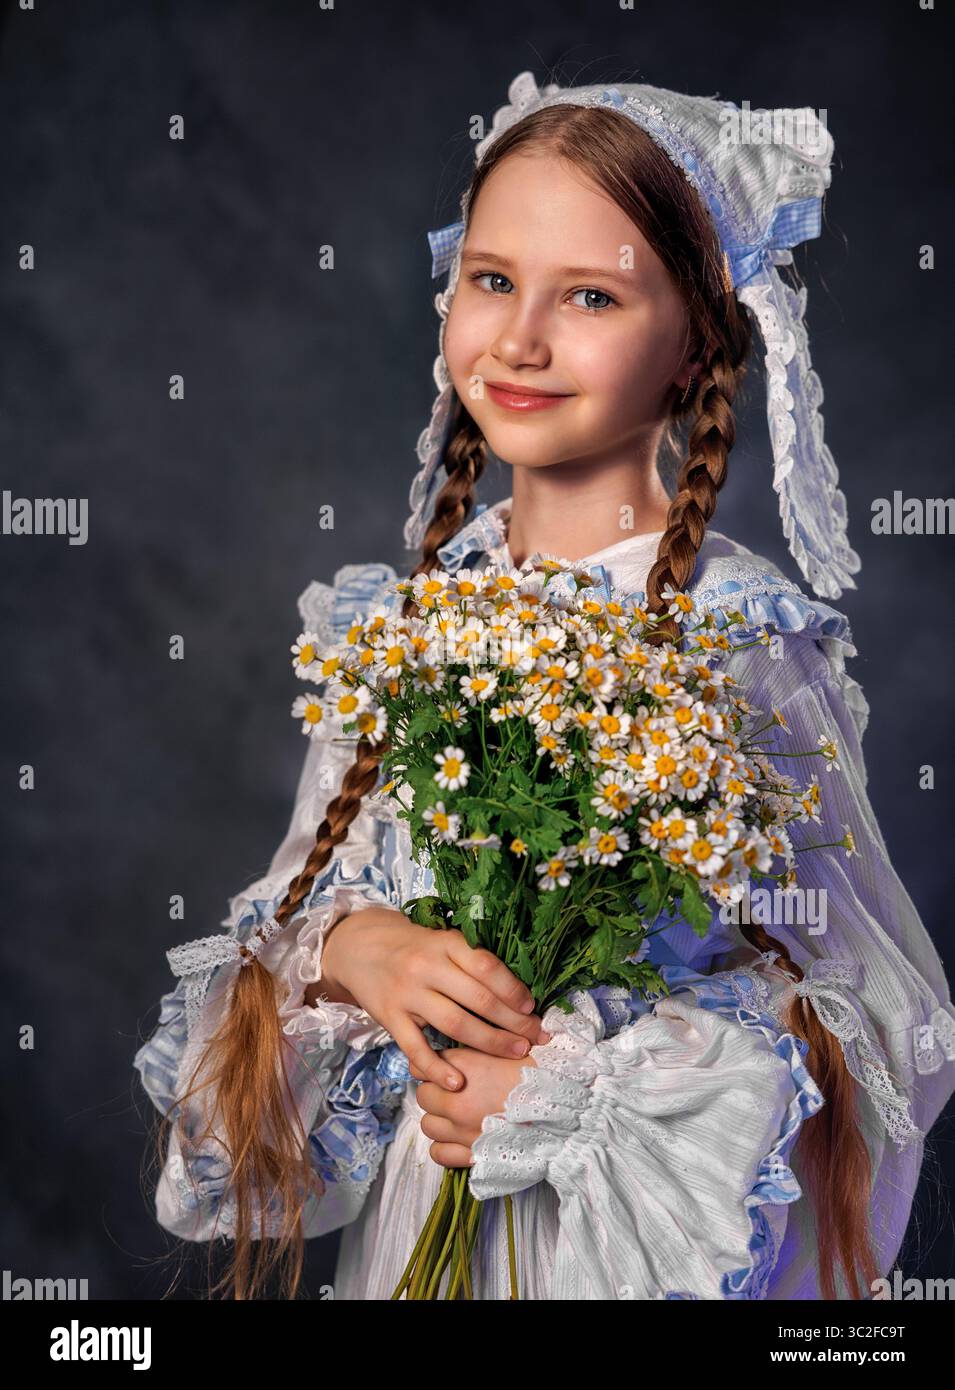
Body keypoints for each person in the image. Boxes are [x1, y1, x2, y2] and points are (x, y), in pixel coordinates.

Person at [134, 69, 955, 1301]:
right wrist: (360, 949)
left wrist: (579, 1095)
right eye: (491, 278)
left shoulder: (732, 642)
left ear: (696, 343)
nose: (519, 338)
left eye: (591, 295)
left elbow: (878, 1020)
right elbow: (297, 900)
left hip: (610, 1245)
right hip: (426, 1214)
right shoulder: (408, 621)